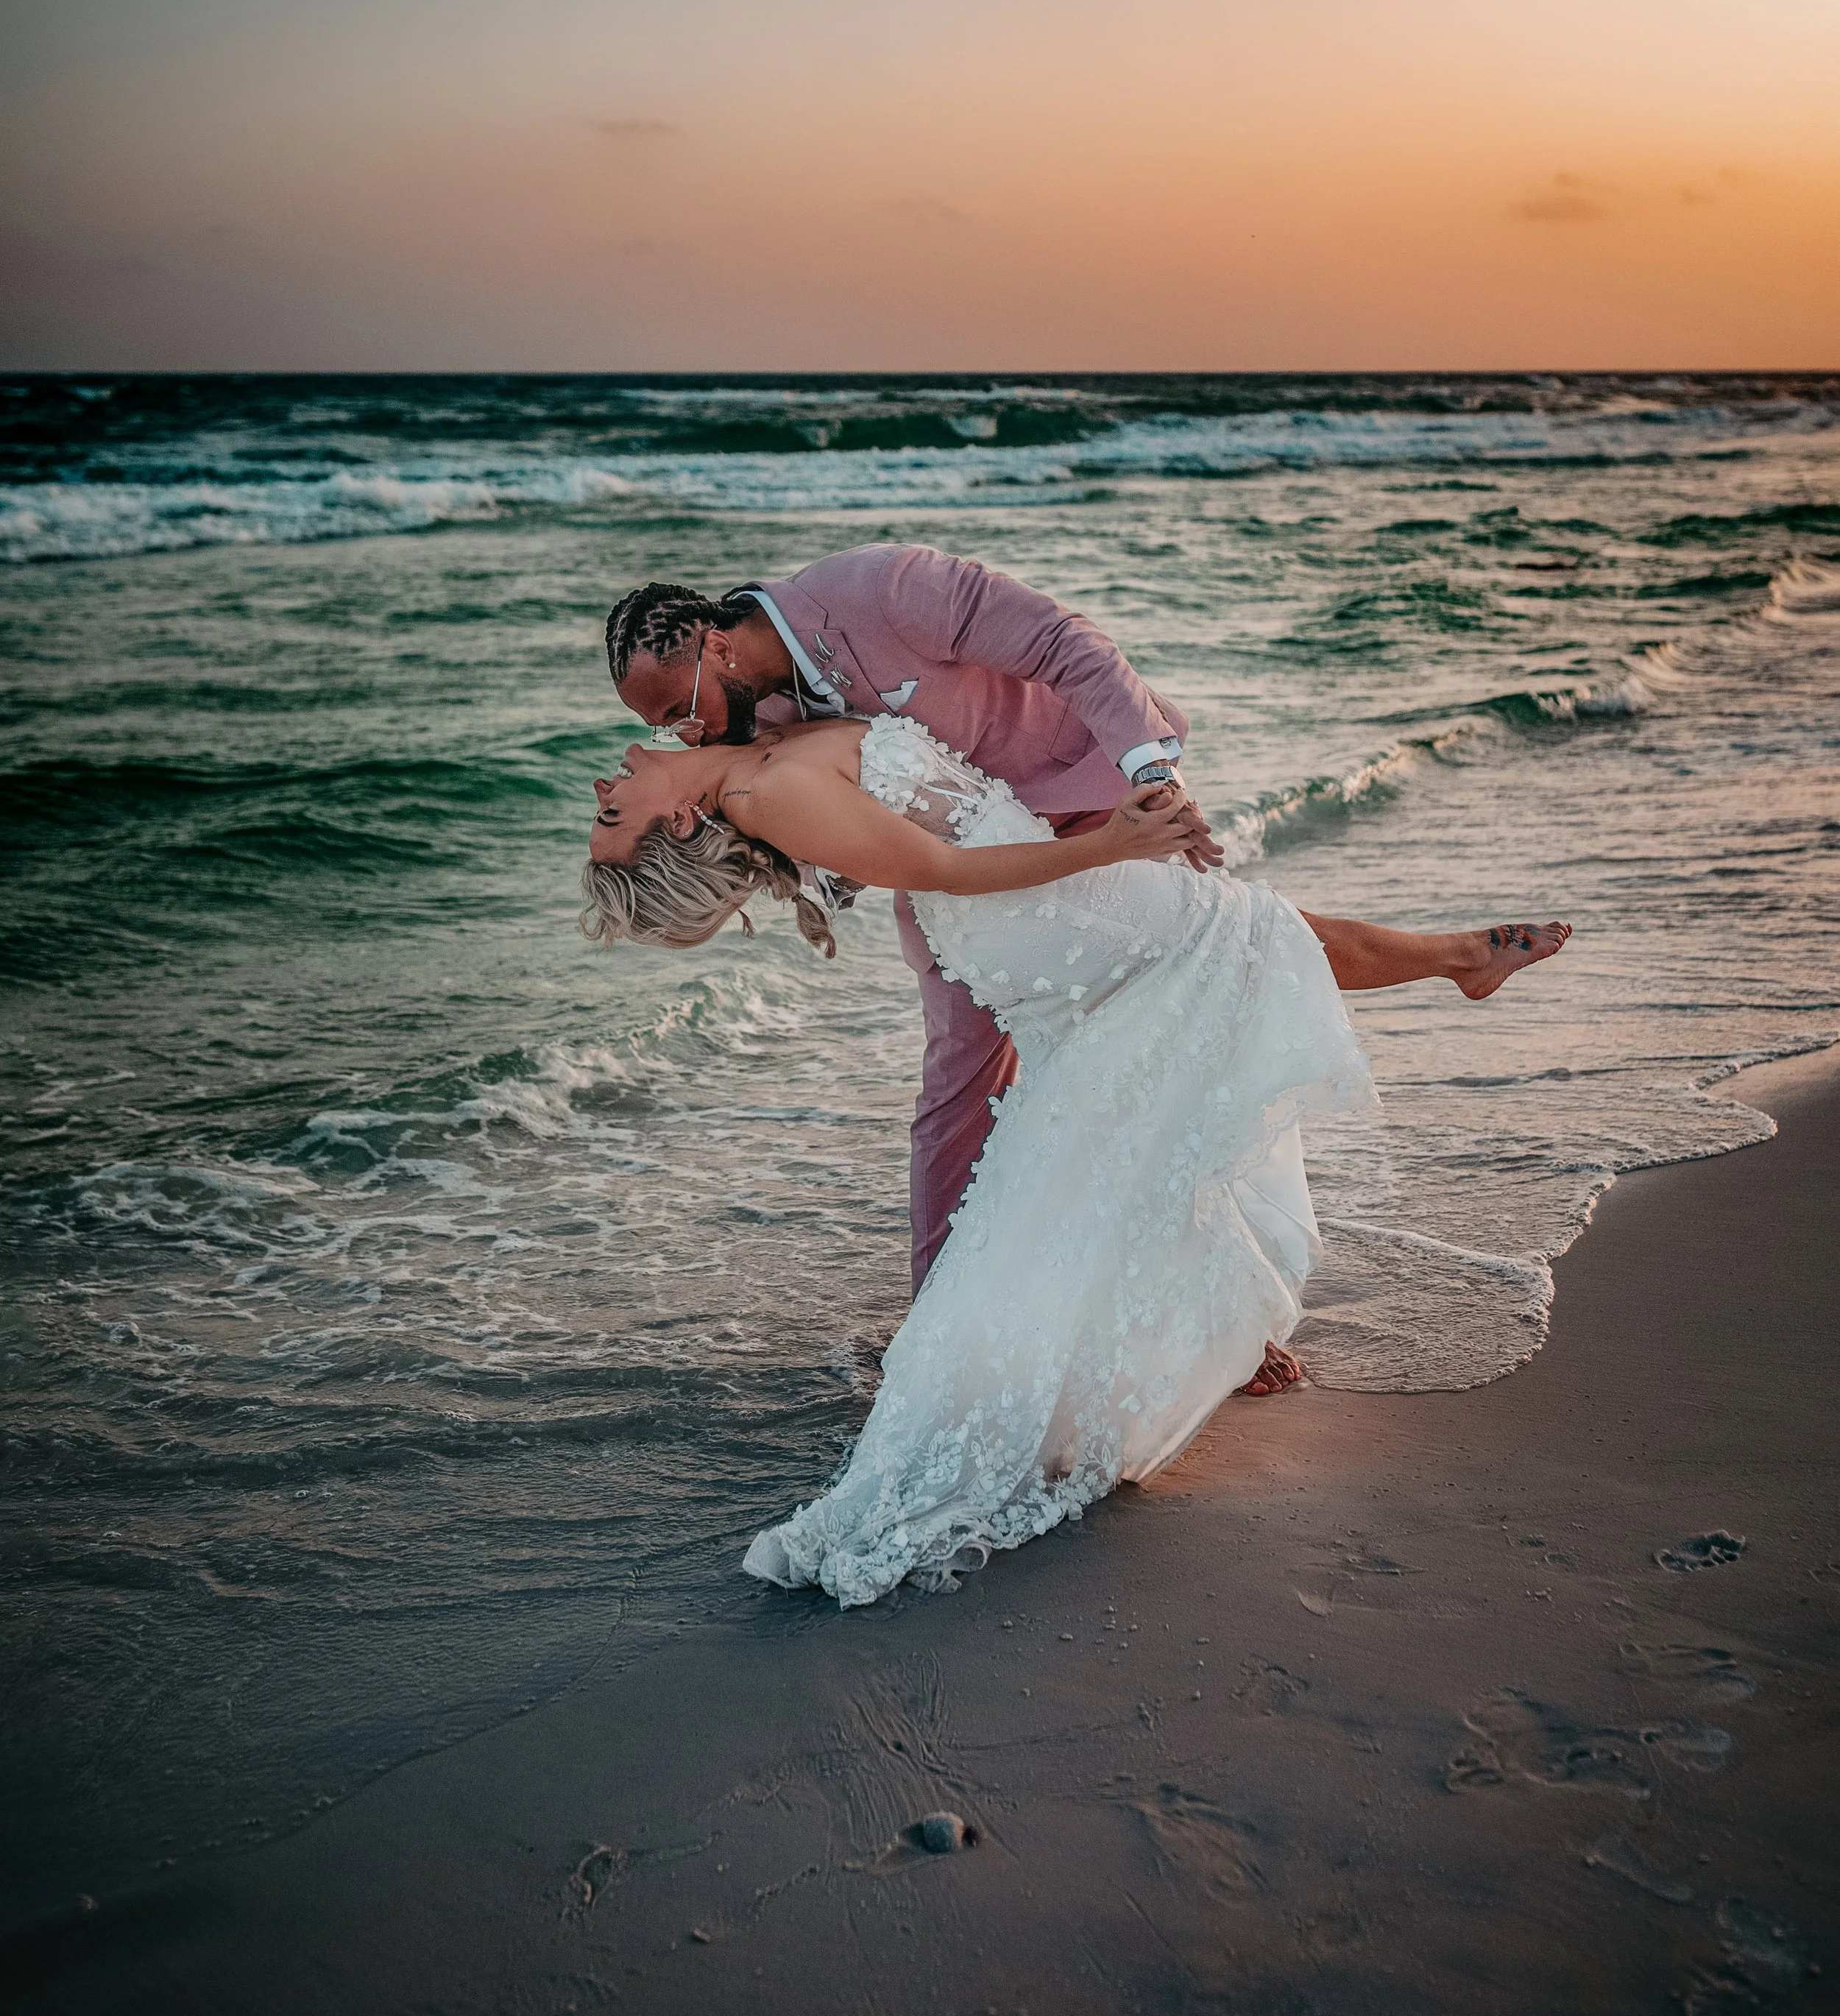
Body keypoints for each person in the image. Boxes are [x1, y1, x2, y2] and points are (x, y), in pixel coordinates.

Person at [579, 705, 1569, 1608]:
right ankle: (1457, 959)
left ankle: (1454, 962)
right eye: (611, 822)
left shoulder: (763, 752)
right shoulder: (771, 791)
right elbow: (949, 872)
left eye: (600, 815)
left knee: (1153, 1069)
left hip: (1025, 915)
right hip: (1033, 909)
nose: (600, 797)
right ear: (668, 830)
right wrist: (1116, 840)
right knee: (1245, 939)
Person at [604, 548, 1568, 1300]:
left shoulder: (882, 590)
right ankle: (947, 1306)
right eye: (666, 731)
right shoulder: (750, 714)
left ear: (712, 646)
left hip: (1074, 798)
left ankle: (1202, 1289)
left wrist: (1148, 781)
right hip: (978, 880)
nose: (682, 733)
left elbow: (1065, 642)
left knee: (1213, 967)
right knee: (978, 1075)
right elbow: (852, 830)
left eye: (677, 710)